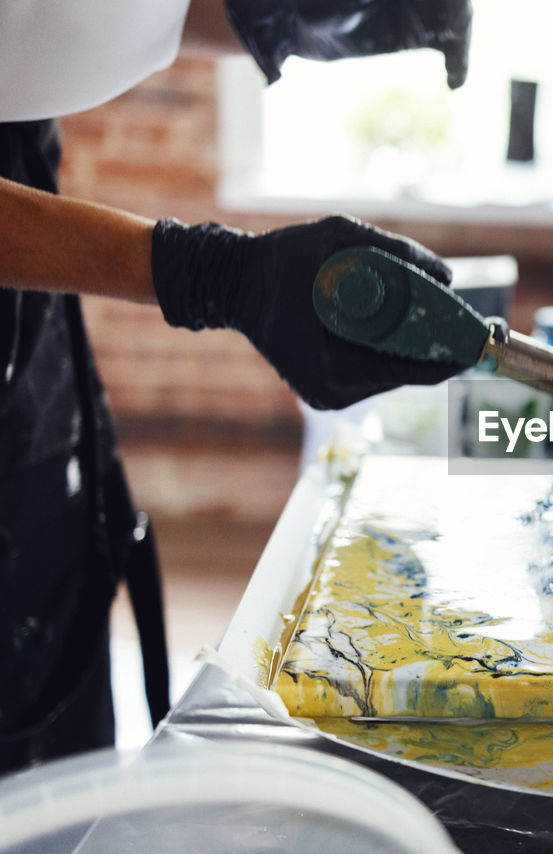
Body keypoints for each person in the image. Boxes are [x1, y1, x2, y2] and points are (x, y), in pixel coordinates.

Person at [0, 0, 473, 772]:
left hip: (32, 348)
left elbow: (31, 27)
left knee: (54, 744)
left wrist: (271, 17)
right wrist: (206, 273)